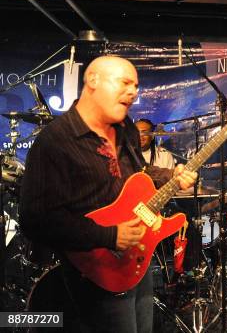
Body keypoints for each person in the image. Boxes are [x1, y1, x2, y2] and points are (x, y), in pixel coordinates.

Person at [19, 56, 198, 332]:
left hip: (137, 256)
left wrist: (170, 177)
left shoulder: (125, 127)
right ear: (93, 81)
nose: (133, 91)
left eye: (136, 85)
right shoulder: (54, 141)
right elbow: (35, 219)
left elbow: (138, 172)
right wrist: (110, 236)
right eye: (125, 82)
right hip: (96, 270)